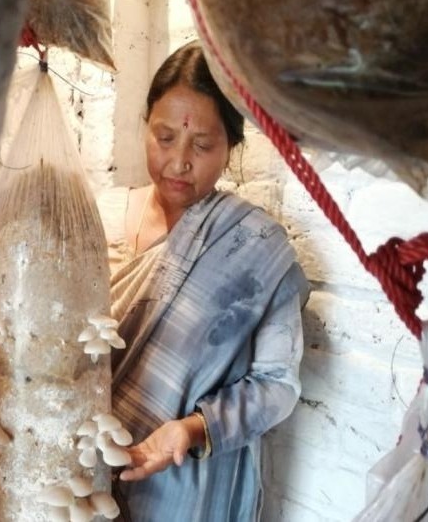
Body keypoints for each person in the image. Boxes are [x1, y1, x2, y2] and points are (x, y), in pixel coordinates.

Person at [97, 41, 309, 522]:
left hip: (189, 487)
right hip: (85, 472)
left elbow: (277, 385)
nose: (178, 162)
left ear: (231, 146)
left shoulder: (255, 246)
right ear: (146, 125)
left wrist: (192, 431)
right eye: (164, 137)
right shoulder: (99, 220)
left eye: (202, 144)